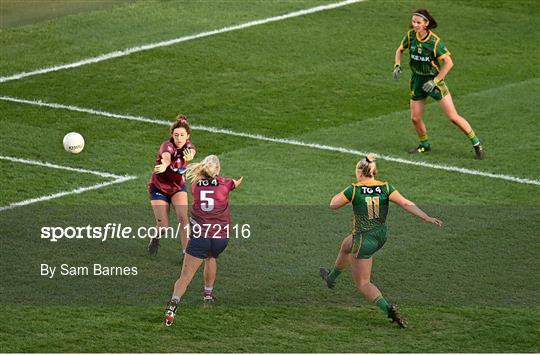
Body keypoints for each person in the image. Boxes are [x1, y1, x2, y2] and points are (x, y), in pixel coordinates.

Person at [320, 154, 442, 328]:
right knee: (346, 245)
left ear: (360, 172)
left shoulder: (354, 189)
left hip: (364, 239)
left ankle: (388, 310)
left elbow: (333, 204)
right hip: (380, 236)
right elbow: (406, 203)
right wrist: (426, 217)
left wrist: (349, 191)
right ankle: (330, 279)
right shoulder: (386, 187)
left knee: (363, 283)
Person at [393, 8, 485, 160]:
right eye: (413, 22)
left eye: (418, 22)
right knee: (415, 118)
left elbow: (449, 63)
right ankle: (425, 144)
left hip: (434, 81)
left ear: (426, 24)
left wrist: (435, 81)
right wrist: (397, 65)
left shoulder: (434, 42)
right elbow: (400, 50)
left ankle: (477, 144)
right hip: (417, 81)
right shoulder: (410, 36)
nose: (415, 25)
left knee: (453, 117)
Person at [164, 155, 243, 326]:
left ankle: (172, 307)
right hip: (221, 238)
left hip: (200, 237)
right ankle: (208, 295)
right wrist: (237, 181)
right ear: (218, 170)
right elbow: (235, 184)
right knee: (211, 258)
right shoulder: (226, 183)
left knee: (185, 276)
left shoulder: (195, 186)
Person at [147, 114, 196, 256]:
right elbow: (166, 157)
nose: (179, 138)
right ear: (172, 136)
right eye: (176, 135)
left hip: (177, 187)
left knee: (183, 217)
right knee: (164, 226)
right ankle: (155, 237)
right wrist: (164, 165)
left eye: (182, 135)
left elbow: (192, 152)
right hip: (159, 187)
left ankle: (186, 253)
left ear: (188, 136)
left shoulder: (189, 147)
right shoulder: (167, 146)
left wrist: (190, 156)